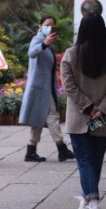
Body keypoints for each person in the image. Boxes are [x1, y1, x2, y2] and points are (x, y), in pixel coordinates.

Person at [61, 13, 106, 209]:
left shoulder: (70, 55)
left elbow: (69, 86)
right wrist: (101, 109)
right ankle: (88, 201)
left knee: (85, 161)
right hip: (101, 118)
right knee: (94, 161)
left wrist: (87, 107)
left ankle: (93, 203)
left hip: (80, 117)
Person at [18, 15, 74, 162]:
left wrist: (47, 44)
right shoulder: (38, 39)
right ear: (40, 26)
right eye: (47, 24)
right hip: (40, 89)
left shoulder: (49, 44)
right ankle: (62, 148)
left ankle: (31, 150)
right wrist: (44, 43)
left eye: (52, 25)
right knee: (53, 116)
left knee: (38, 119)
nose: (49, 27)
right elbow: (32, 53)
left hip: (45, 88)